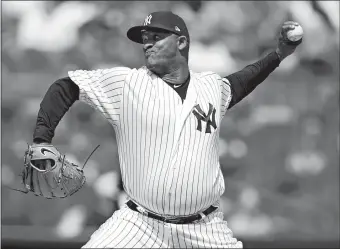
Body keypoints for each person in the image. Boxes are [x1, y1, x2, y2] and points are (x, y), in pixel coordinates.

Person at [32, 11, 301, 248]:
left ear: (181, 42)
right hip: (139, 224)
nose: (147, 43)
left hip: (205, 229)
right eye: (145, 37)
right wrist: (41, 138)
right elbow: (65, 87)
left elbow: (246, 79)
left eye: (156, 36)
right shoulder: (128, 83)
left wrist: (279, 54)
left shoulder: (211, 87)